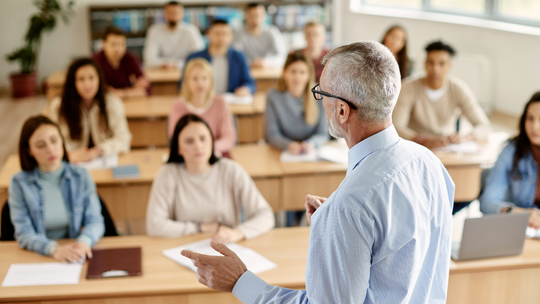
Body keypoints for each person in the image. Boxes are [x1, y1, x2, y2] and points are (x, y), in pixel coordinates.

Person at [181, 41, 454, 303]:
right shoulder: (430, 163)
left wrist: (240, 281)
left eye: (321, 93)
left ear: (342, 110)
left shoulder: (351, 206)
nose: (319, 100)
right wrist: (340, 224)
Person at [146, 114, 274, 241]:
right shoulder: (167, 173)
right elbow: (154, 225)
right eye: (189, 141)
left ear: (212, 141)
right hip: (184, 247)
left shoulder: (231, 170)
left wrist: (237, 233)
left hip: (226, 246)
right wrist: (200, 228)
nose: (198, 146)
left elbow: (265, 215)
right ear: (178, 148)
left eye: (203, 138)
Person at [8, 115, 104, 262]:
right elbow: (24, 233)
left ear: (62, 140)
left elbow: (95, 220)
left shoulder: (81, 176)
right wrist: (53, 249)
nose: (51, 149)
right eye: (41, 145)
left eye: (54, 140)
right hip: (39, 254)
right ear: (29, 150)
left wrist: (84, 242)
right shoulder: (19, 183)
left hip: (74, 252)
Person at [393, 40, 490, 149]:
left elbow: (484, 126)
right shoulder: (408, 87)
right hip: (415, 145)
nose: (436, 69)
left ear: (449, 66)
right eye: (431, 62)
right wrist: (422, 139)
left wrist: (464, 138)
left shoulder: (459, 89)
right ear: (424, 63)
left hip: (446, 146)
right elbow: (396, 126)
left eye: (442, 63)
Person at [44, 58, 132, 163]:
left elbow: (124, 139)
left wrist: (99, 150)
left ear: (99, 79)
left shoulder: (112, 102)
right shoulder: (58, 106)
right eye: (81, 79)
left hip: (103, 160)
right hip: (71, 161)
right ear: (73, 82)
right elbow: (52, 139)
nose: (87, 85)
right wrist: (69, 154)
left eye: (91, 78)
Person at [480, 92, 540, 228]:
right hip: (518, 231)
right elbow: (488, 201)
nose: (534, 126)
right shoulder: (510, 151)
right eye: (530, 118)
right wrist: (515, 212)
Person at [168, 58, 236, 156]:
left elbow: (229, 138)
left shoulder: (220, 103)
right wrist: (196, 150)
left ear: (211, 81)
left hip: (216, 154)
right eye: (195, 79)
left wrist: (207, 149)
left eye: (204, 78)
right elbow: (175, 139)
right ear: (187, 81)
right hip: (188, 157)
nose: (200, 83)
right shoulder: (177, 106)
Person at [265, 53, 328, 155]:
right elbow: (272, 134)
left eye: (302, 72)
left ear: (308, 75)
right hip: (283, 152)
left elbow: (322, 134)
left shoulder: (319, 95)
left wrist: (312, 144)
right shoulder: (273, 96)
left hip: (311, 152)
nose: (297, 77)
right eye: (293, 72)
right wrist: (288, 145)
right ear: (284, 73)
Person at [184, 20, 255, 96]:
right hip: (202, 101)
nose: (221, 38)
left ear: (231, 36)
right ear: (209, 34)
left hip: (230, 101)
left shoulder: (239, 57)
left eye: (225, 34)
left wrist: (245, 89)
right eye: (217, 34)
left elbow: (249, 83)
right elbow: (183, 84)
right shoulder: (194, 58)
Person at [144, 1, 204, 70]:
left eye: (176, 12)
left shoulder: (191, 31)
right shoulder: (154, 31)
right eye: (170, 12)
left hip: (186, 71)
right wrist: (166, 64)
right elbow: (149, 59)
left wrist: (176, 65)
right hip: (160, 72)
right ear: (164, 14)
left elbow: (198, 58)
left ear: (182, 14)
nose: (173, 15)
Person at [92, 27, 150, 98]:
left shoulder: (130, 59)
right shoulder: (95, 61)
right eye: (113, 44)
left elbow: (147, 89)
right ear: (103, 44)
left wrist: (120, 93)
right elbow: (97, 91)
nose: (118, 49)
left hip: (128, 104)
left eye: (122, 44)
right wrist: (132, 91)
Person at [232, 3, 287, 68]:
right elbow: (234, 56)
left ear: (265, 16)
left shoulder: (272, 32)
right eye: (252, 16)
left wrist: (267, 62)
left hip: (268, 70)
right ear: (246, 17)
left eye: (258, 15)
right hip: (246, 69)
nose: (255, 19)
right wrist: (250, 63)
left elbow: (282, 56)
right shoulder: (239, 34)